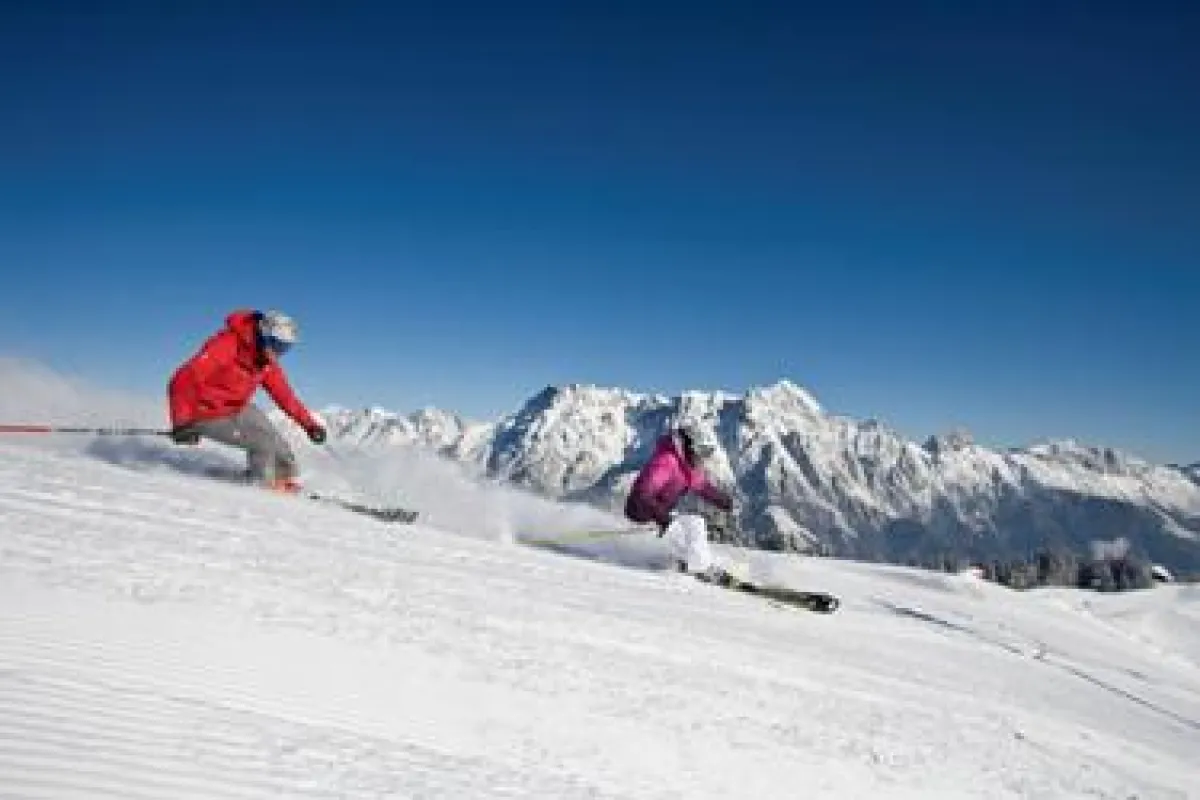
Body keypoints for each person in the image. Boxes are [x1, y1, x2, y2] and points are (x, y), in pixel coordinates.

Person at [166, 309, 327, 493]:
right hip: (205, 412)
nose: (278, 353)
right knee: (263, 442)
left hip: (235, 407)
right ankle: (260, 489)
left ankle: (284, 479)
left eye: (285, 348)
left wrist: (310, 425)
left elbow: (285, 396)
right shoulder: (227, 345)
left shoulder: (265, 361)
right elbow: (182, 379)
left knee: (275, 438)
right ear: (263, 335)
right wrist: (181, 423)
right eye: (276, 345)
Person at [624, 422, 736, 583]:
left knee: (694, 524)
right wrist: (662, 518)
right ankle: (697, 566)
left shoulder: (686, 466)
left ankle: (691, 563)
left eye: (707, 453)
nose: (703, 458)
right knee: (691, 525)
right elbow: (642, 494)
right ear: (690, 447)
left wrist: (724, 501)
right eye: (701, 452)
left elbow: (703, 487)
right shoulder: (667, 462)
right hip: (641, 512)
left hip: (659, 513)